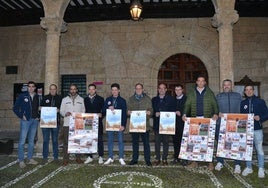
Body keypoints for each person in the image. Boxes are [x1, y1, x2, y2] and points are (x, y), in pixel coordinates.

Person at [182, 75, 218, 170]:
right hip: (195, 120)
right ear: (196, 82)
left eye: (203, 81)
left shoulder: (210, 93)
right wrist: (184, 114)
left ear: (205, 82)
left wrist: (216, 113)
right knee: (194, 141)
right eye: (199, 81)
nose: (201, 82)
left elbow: (215, 104)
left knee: (208, 142)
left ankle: (210, 162)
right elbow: (187, 104)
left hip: (206, 120)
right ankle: (194, 162)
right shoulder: (191, 92)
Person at [240, 85, 268, 178]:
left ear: (253, 90)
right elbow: (241, 116)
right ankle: (249, 167)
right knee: (248, 150)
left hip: (257, 130)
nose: (248, 91)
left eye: (250, 89)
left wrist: (260, 118)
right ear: (244, 92)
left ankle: (261, 168)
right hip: (247, 130)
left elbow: (266, 114)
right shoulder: (243, 103)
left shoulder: (260, 101)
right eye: (246, 90)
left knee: (259, 149)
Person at [214, 79, 242, 173]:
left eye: (228, 85)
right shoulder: (218, 96)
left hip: (235, 124)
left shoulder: (238, 96)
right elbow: (214, 108)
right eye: (224, 85)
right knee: (220, 144)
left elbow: (242, 109)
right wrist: (218, 113)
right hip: (221, 123)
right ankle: (220, 162)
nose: (226, 86)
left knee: (236, 143)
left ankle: (237, 164)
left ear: (231, 86)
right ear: (223, 86)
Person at [13, 81, 40, 168]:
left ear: (35, 88)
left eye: (33, 86)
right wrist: (22, 115)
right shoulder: (22, 96)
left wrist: (38, 116)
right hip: (25, 121)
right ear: (27, 87)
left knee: (31, 141)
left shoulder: (37, 97)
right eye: (29, 86)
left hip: (34, 121)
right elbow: (15, 108)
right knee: (22, 141)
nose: (31, 88)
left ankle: (30, 158)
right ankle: (21, 160)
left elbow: (38, 108)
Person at [127, 83, 153, 166]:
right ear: (135, 89)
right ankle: (134, 159)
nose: (138, 90)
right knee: (135, 143)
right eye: (137, 88)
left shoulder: (148, 99)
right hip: (134, 126)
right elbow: (127, 110)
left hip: (145, 125)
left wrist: (150, 112)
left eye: (140, 88)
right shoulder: (130, 99)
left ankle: (148, 160)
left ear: (142, 89)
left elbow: (151, 110)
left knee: (146, 143)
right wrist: (128, 112)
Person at [60, 84, 85, 166]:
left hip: (78, 123)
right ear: (69, 90)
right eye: (71, 89)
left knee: (77, 142)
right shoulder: (64, 99)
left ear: (77, 90)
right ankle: (65, 159)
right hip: (67, 123)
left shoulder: (81, 99)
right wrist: (65, 113)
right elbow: (61, 111)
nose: (73, 90)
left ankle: (78, 158)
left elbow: (83, 111)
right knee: (66, 142)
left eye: (74, 89)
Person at [103, 83, 127, 165]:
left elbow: (124, 114)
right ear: (111, 91)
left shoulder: (122, 101)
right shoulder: (108, 100)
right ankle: (110, 157)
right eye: (112, 90)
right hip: (110, 124)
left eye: (116, 90)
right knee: (110, 141)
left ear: (119, 90)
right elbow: (103, 111)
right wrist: (107, 108)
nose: (114, 91)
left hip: (119, 125)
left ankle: (121, 158)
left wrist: (123, 125)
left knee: (120, 141)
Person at [152, 83, 176, 166]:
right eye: (160, 88)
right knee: (157, 142)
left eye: (163, 88)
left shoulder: (171, 99)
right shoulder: (154, 99)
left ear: (166, 90)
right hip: (157, 124)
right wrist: (154, 114)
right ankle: (157, 158)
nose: (161, 90)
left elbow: (173, 111)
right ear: (158, 89)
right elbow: (151, 111)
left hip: (167, 124)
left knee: (166, 142)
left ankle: (164, 158)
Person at [40, 84, 62, 163]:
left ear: (56, 90)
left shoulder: (60, 98)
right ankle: (44, 157)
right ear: (49, 90)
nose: (52, 90)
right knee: (45, 140)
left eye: (54, 89)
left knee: (55, 140)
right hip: (45, 123)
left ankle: (55, 157)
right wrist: (41, 109)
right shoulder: (45, 97)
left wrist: (59, 110)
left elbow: (62, 109)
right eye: (51, 89)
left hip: (55, 123)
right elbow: (40, 108)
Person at [84, 84, 104, 164]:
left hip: (97, 122)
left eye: (93, 89)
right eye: (90, 89)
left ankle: (100, 156)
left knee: (99, 139)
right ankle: (90, 156)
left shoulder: (100, 99)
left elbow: (104, 110)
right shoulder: (85, 99)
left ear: (95, 90)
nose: (91, 90)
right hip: (88, 122)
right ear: (88, 90)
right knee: (89, 139)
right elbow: (83, 110)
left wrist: (101, 114)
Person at [172, 84, 187, 165]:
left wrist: (181, 113)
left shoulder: (186, 99)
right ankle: (176, 157)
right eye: (176, 90)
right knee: (175, 141)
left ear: (182, 90)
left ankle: (184, 158)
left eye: (179, 89)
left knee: (183, 141)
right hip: (174, 124)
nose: (177, 91)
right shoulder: (173, 99)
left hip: (183, 124)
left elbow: (189, 110)